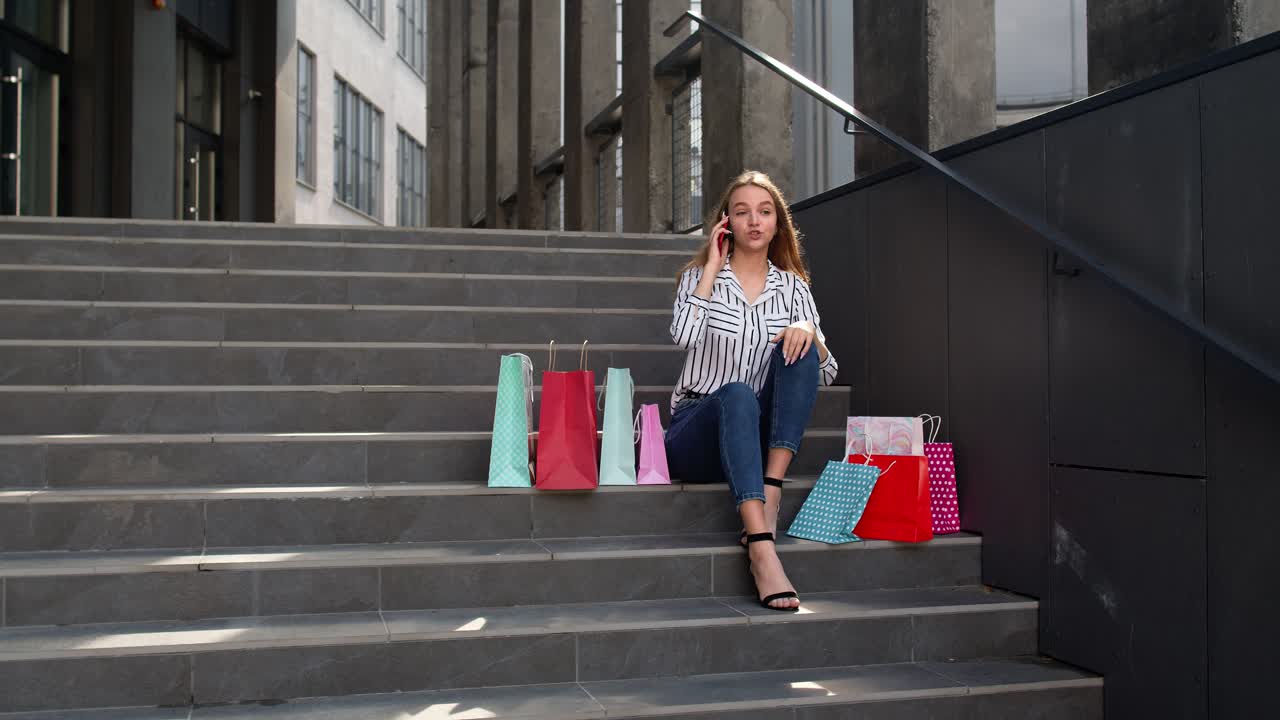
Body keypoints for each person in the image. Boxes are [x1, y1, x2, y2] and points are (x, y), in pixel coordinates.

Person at [664, 170, 838, 611]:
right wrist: (710, 269)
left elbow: (827, 373)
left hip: (757, 443)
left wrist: (808, 332)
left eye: (764, 212)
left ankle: (771, 485)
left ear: (778, 224)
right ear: (726, 223)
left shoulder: (794, 286)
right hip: (697, 429)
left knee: (800, 349)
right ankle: (761, 546)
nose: (754, 221)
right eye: (742, 212)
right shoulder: (698, 278)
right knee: (737, 392)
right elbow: (683, 336)